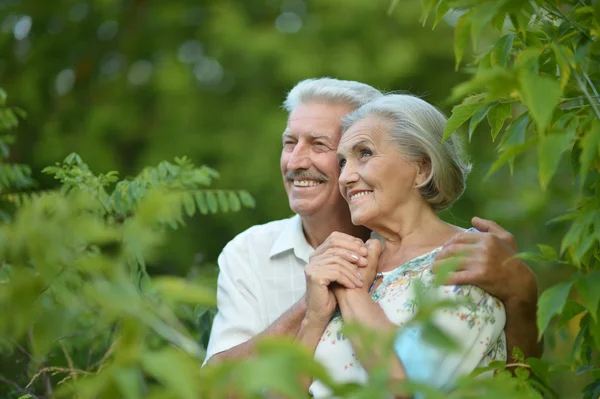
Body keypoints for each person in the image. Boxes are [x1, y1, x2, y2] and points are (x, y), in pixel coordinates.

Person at [204, 78, 541, 367]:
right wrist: (311, 305)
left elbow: (517, 383)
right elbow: (220, 387)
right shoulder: (249, 251)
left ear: (420, 167)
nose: (295, 161)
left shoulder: (460, 258)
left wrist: (522, 297)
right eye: (289, 143)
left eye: (320, 145)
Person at [300, 93, 507, 397]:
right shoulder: (349, 262)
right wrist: (313, 318)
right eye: (343, 162)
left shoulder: (468, 259)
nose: (345, 176)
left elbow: (408, 389)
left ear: (422, 169)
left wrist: (353, 293)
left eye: (365, 154)